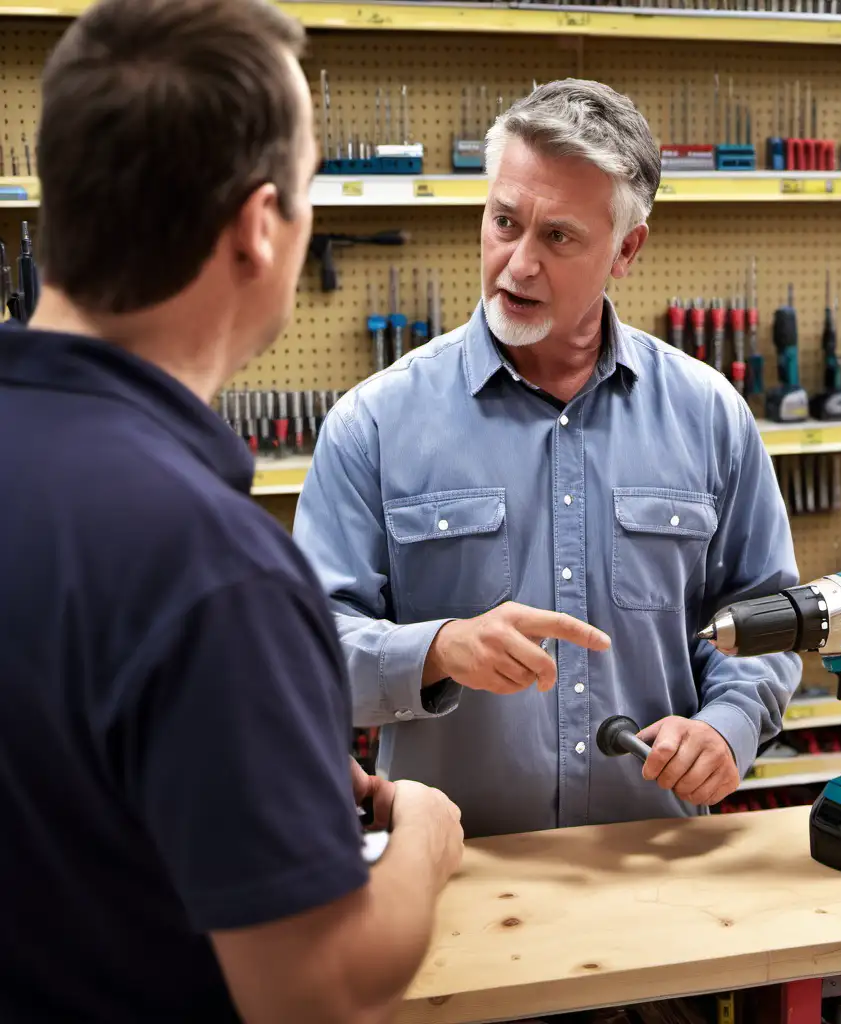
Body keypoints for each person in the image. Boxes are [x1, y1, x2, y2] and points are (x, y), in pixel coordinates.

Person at [0, 1, 463, 1021]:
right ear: (259, 227)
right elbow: (318, 991)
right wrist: (424, 839)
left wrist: (249, 775)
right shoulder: (213, 569)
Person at [293, 78, 802, 840]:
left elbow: (769, 619)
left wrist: (728, 724)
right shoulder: (374, 423)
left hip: (656, 866)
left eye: (558, 237)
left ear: (627, 249)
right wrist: (435, 648)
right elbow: (305, 655)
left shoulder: (710, 416)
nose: (517, 265)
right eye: (504, 222)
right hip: (452, 876)